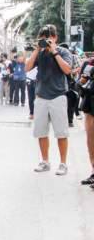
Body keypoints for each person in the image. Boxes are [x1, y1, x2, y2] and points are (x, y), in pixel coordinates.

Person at [25, 25, 73, 176]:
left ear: (55, 38)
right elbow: (26, 68)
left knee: (61, 133)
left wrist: (54, 52)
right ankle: (45, 161)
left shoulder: (63, 51)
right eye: (43, 38)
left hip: (58, 95)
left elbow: (67, 70)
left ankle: (63, 163)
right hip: (41, 96)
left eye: (49, 37)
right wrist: (37, 49)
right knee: (41, 132)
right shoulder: (39, 52)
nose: (46, 40)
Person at [77, 57, 94, 185]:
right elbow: (80, 82)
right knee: (91, 138)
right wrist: (83, 79)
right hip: (90, 101)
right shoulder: (90, 63)